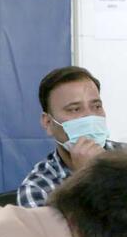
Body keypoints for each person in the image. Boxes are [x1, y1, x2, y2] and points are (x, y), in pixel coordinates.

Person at [18, 65, 114, 208]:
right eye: (75, 109)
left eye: (96, 107)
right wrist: (86, 178)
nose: (89, 116)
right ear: (48, 123)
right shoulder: (37, 189)